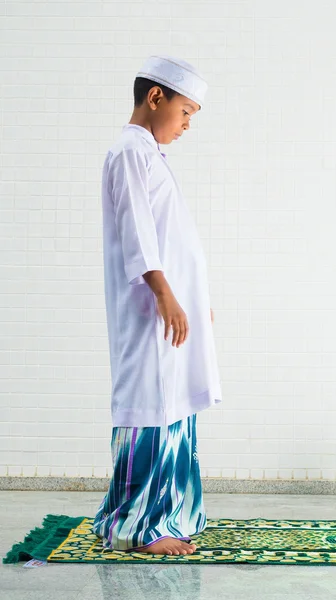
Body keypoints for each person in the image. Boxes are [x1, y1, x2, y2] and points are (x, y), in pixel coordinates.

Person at [92, 55, 222, 557]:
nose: (187, 125)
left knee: (175, 406)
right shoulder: (130, 150)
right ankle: (136, 527)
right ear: (155, 97)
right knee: (151, 405)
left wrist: (192, 300)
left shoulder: (148, 152)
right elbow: (139, 232)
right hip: (150, 312)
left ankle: (171, 514)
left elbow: (173, 237)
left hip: (167, 310)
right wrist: (166, 296)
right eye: (185, 111)